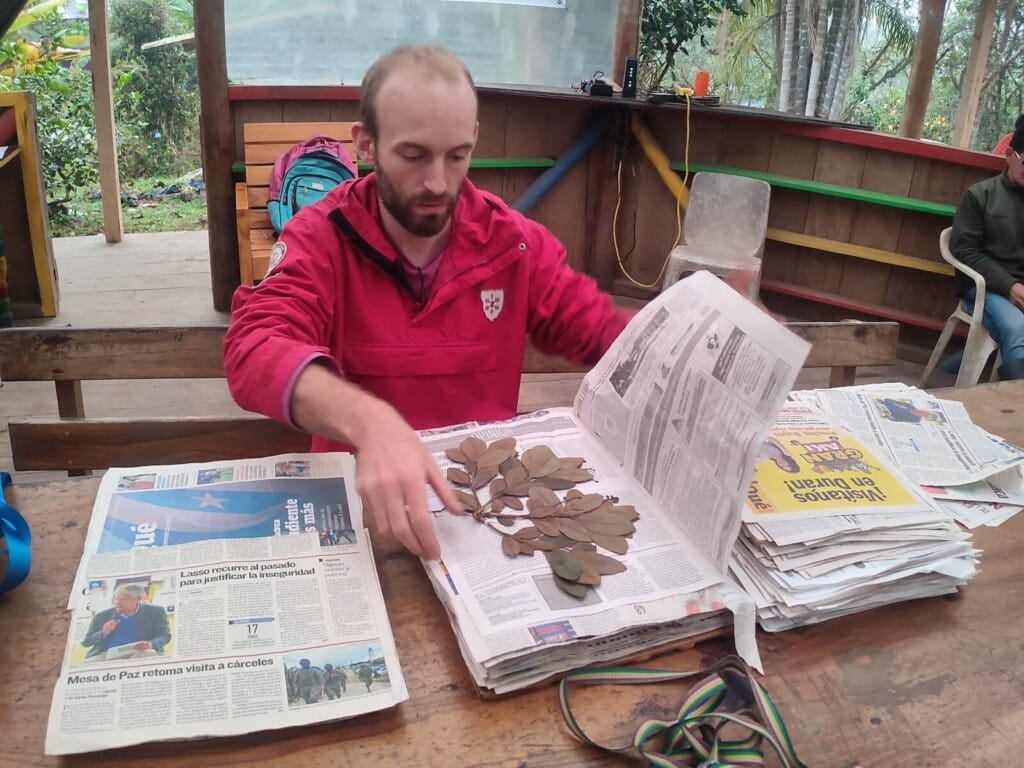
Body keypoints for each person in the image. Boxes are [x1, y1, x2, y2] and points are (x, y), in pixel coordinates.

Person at [224, 45, 631, 560]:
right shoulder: (320, 239)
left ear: (474, 141)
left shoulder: (513, 243)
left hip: (480, 518)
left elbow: (598, 329)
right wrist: (371, 423)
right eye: (413, 156)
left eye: (456, 155)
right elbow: (256, 345)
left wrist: (695, 342)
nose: (438, 182)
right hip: (360, 519)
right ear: (366, 145)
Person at [950, 116, 1024, 381]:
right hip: (987, 288)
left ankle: (956, 364)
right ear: (1009, 155)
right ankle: (1018, 410)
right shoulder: (980, 195)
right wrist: (1010, 287)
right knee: (1017, 328)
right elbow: (965, 251)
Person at [81, 583, 171, 659]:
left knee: (150, 655)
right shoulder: (102, 616)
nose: (117, 603)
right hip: (106, 655)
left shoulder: (156, 611)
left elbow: (164, 635)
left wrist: (151, 644)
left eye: (123, 600)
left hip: (139, 653)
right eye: (115, 599)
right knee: (87, 665)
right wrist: (102, 632)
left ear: (138, 599)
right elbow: (86, 642)